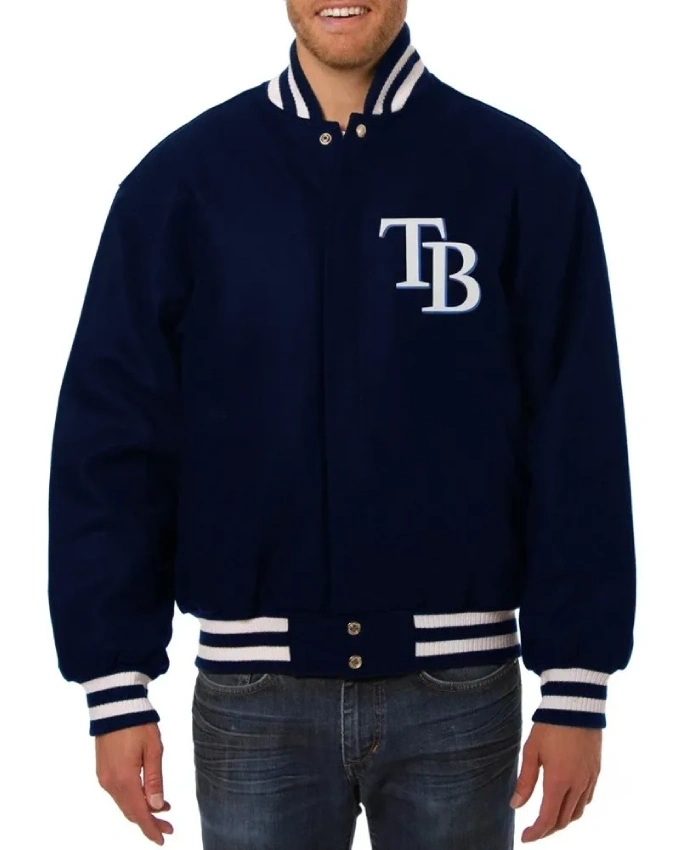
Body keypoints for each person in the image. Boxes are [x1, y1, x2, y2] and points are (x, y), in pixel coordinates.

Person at [47, 1, 637, 847]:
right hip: (253, 696)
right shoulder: (180, 185)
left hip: (460, 690)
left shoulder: (523, 179)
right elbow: (113, 439)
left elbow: (577, 437)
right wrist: (115, 683)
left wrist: (577, 685)